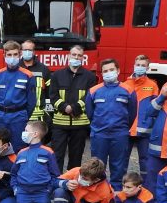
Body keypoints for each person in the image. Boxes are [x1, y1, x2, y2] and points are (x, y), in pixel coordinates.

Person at [85, 58, 137, 191]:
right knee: (96, 166)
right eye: (105, 71)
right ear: (101, 73)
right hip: (99, 134)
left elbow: (132, 114)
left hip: (119, 135)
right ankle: (98, 192)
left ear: (118, 71)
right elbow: (90, 113)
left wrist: (122, 128)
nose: (109, 73)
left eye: (111, 70)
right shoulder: (93, 91)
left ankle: (116, 194)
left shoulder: (128, 90)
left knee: (118, 167)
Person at [48, 44, 95, 171]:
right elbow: (53, 96)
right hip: (59, 124)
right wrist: (64, 107)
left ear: (83, 58)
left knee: (76, 158)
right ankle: (57, 180)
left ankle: (72, 181)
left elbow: (89, 97)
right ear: (69, 56)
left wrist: (74, 108)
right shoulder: (57, 75)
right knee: (57, 156)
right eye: (74, 54)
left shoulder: (90, 77)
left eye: (79, 55)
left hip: (80, 124)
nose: (76, 57)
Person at [11, 120, 61, 203]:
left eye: (26, 130)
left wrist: (48, 190)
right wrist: (16, 189)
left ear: (35, 134)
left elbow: (55, 175)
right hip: (23, 193)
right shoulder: (21, 152)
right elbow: (14, 174)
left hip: (42, 193)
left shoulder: (48, 152)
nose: (23, 133)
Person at [0, 41, 38, 151]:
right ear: (4, 55)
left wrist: (22, 115)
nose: (12, 58)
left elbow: (31, 102)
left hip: (18, 117)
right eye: (9, 55)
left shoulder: (28, 76)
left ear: (20, 55)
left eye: (15, 54)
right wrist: (0, 111)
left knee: (18, 148)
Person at [126, 54, 160, 179]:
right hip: (127, 129)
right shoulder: (125, 84)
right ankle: (121, 185)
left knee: (145, 160)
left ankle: (146, 185)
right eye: (138, 65)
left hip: (145, 129)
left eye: (143, 65)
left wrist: (151, 123)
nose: (140, 67)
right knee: (122, 159)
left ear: (147, 68)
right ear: (134, 66)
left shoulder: (153, 85)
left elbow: (156, 108)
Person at [21, 39, 53, 139]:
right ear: (21, 51)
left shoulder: (43, 69)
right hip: (20, 116)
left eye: (30, 50)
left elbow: (50, 93)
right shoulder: (16, 68)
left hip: (38, 118)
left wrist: (48, 115)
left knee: (37, 144)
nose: (27, 52)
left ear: (34, 52)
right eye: (25, 50)